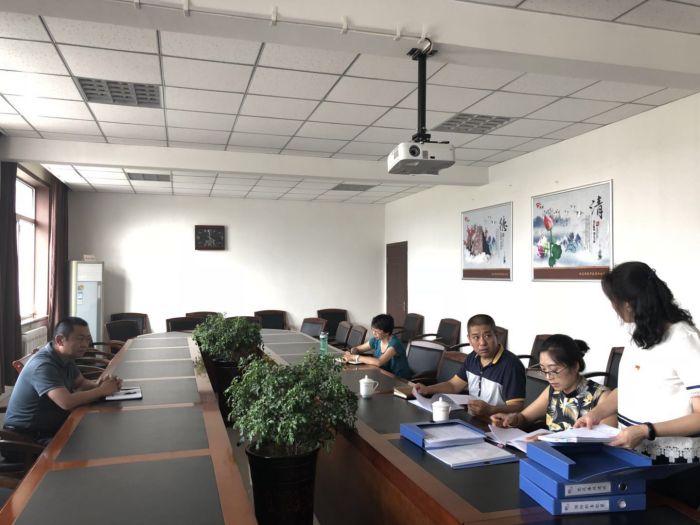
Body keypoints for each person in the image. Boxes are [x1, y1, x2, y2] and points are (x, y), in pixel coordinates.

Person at [575, 262, 700, 507]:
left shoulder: (684, 339)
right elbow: (629, 389)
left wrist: (646, 430)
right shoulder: (639, 334)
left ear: (630, 303)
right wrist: (595, 414)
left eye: (614, 301)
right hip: (633, 455)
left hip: (673, 467)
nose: (613, 307)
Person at [3, 317, 122, 446]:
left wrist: (99, 384)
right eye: (80, 339)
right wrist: (101, 390)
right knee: (98, 444)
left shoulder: (64, 356)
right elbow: (66, 402)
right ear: (60, 340)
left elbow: (80, 383)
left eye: (87, 339)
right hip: (28, 438)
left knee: (105, 433)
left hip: (52, 427)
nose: (85, 344)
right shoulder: (43, 365)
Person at [491, 334, 615, 433]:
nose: (548, 377)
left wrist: (551, 439)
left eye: (554, 370)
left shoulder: (602, 397)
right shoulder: (553, 390)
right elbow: (524, 417)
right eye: (544, 370)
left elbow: (603, 443)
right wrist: (511, 419)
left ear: (575, 366)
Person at [413, 314, 525, 418]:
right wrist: (427, 389)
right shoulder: (472, 357)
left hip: (498, 425)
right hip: (473, 419)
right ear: (469, 339)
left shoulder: (511, 365)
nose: (482, 343)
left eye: (487, 336)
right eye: (476, 337)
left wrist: (491, 410)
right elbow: (453, 385)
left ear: (496, 335)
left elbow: (517, 407)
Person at [342, 314, 411, 379]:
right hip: (382, 374)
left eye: (377, 331)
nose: (374, 333)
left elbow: (379, 362)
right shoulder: (376, 340)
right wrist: (352, 352)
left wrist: (354, 357)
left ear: (387, 332)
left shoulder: (395, 344)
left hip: (399, 379)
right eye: (373, 330)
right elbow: (357, 349)